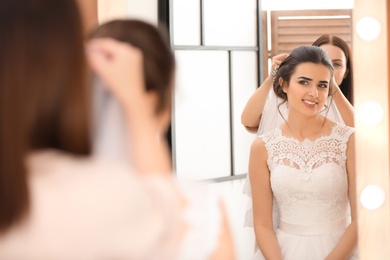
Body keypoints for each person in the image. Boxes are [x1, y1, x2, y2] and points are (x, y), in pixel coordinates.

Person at [0, 1, 235, 259]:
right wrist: (137, 109)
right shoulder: (190, 212)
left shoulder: (25, 192)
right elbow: (176, 218)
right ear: (162, 104)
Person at [249, 45, 358, 259]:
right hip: (284, 251)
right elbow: (262, 225)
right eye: (304, 82)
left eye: (322, 85)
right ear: (284, 84)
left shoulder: (348, 140)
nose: (314, 93)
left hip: (341, 250)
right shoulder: (263, 147)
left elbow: (361, 217)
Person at [241, 34, 354, 134]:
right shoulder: (288, 98)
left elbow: (358, 133)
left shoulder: (354, 106)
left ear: (346, 71)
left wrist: (332, 85)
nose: (328, 69)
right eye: (325, 61)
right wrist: (271, 77)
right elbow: (248, 121)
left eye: (336, 64)